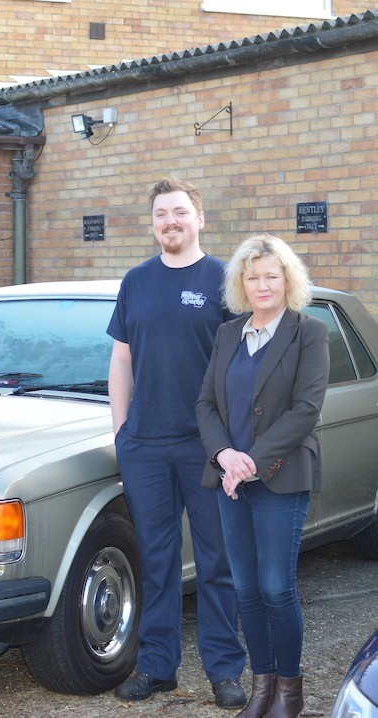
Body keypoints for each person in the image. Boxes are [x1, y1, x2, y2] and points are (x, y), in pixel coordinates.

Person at [107, 177, 247, 707]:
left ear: (200, 219)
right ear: (153, 223)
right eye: (162, 214)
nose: (171, 221)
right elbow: (121, 359)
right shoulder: (136, 281)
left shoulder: (223, 280)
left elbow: (243, 365)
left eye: (181, 213)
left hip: (207, 447)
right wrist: (122, 433)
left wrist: (234, 441)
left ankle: (224, 669)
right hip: (144, 445)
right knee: (158, 561)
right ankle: (158, 665)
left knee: (217, 562)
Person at [196, 235, 328, 718]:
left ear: (287, 279)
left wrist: (248, 461)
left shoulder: (308, 333)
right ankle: (262, 687)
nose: (261, 284)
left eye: (271, 275)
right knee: (246, 588)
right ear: (240, 283)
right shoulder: (228, 333)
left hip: (281, 477)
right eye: (252, 276)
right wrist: (225, 455)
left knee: (276, 587)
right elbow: (206, 404)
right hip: (231, 480)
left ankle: (288, 694)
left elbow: (306, 410)